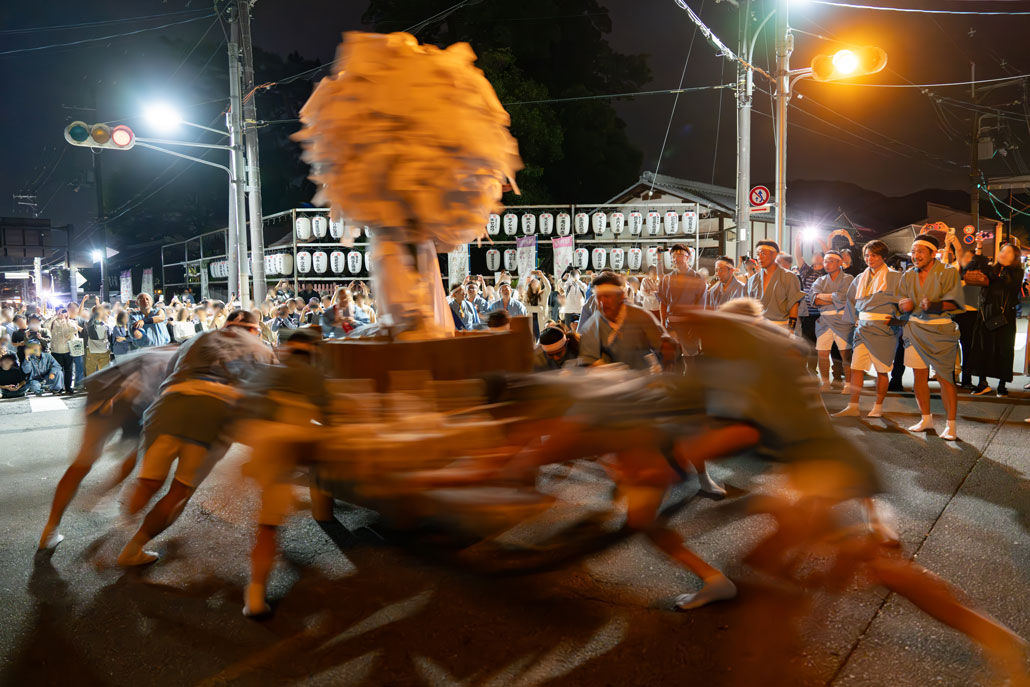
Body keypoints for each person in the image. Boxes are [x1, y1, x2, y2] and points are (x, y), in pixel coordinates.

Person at [117, 310, 276, 566]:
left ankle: (123, 525)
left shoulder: (198, 338)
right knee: (180, 491)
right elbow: (267, 393)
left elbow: (170, 372)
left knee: (148, 482)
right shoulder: (261, 348)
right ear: (255, 330)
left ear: (226, 325)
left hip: (167, 406)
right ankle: (132, 549)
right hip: (213, 411)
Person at [37, 346, 178, 550]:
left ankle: (50, 530)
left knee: (82, 463)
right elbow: (142, 389)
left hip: (100, 398)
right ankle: (106, 499)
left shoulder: (154, 350)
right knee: (136, 455)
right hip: (129, 402)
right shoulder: (179, 358)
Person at [236, 328, 329, 616]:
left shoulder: (268, 372)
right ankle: (254, 594)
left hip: (259, 443)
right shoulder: (314, 376)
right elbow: (331, 418)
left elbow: (243, 406)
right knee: (268, 525)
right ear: (312, 354)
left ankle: (290, 498)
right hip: (281, 448)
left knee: (271, 510)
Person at [898, 234, 963, 440]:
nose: (915, 255)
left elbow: (957, 303)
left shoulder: (948, 272)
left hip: (941, 331)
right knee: (918, 376)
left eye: (920, 251)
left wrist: (935, 305)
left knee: (945, 378)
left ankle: (951, 425)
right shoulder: (907, 275)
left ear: (933, 253)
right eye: (913, 251)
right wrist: (903, 306)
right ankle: (926, 418)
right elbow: (901, 300)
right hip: (914, 329)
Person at [835, 240, 901, 418]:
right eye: (867, 255)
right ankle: (853, 405)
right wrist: (855, 319)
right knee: (856, 368)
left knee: (882, 369)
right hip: (862, 327)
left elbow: (905, 303)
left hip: (883, 328)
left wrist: (898, 321)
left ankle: (878, 406)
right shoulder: (859, 278)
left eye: (874, 255)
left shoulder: (894, 276)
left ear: (883, 257)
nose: (869, 259)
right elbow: (850, 301)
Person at [578, 272, 670, 370]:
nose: (602, 303)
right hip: (607, 382)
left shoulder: (641, 317)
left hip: (641, 379)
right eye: (599, 297)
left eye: (607, 296)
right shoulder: (592, 325)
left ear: (620, 296)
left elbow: (665, 349)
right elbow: (586, 360)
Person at [967, 241, 1023, 397]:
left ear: (1015, 258)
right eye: (1002, 251)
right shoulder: (993, 270)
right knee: (981, 348)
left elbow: (1004, 284)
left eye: (1008, 252)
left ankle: (1002, 384)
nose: (1003, 253)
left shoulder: (1016, 273)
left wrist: (989, 275)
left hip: (1004, 317)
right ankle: (982, 383)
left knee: (1003, 350)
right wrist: (979, 247)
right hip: (985, 314)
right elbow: (976, 268)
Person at [810, 250, 855, 392]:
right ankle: (825, 382)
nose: (827, 264)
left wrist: (823, 297)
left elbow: (843, 297)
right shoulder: (820, 280)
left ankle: (849, 383)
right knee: (822, 353)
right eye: (825, 261)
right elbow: (814, 299)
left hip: (843, 319)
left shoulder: (848, 278)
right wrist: (833, 297)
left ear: (840, 262)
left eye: (830, 261)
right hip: (824, 320)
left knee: (845, 353)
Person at [746, 240, 803, 332]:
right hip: (759, 326)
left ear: (774, 255)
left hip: (782, 326)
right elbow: (749, 306)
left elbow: (794, 304)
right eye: (758, 254)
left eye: (763, 254)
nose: (759, 257)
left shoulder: (789, 276)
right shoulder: (752, 280)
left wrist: (791, 329)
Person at [47, 307, 79, 394]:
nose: (62, 313)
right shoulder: (53, 321)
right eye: (60, 311)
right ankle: (59, 387)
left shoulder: (71, 321)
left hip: (68, 349)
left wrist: (67, 320)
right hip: (56, 350)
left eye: (64, 311)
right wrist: (55, 316)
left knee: (69, 370)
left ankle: (68, 387)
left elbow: (74, 330)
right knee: (58, 370)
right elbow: (46, 327)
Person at [84, 305, 112, 375]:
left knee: (91, 372)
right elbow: (110, 338)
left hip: (93, 351)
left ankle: (92, 385)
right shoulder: (106, 325)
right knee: (104, 373)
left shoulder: (89, 324)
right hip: (102, 351)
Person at [523, 272, 552, 337]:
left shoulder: (543, 293)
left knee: (542, 338)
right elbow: (525, 307)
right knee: (532, 340)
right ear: (530, 285)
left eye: (536, 282)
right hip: (531, 320)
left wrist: (542, 276)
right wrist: (538, 309)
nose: (534, 284)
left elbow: (548, 287)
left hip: (541, 320)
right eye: (533, 282)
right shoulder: (527, 295)